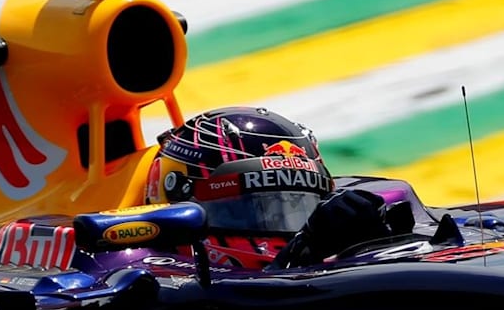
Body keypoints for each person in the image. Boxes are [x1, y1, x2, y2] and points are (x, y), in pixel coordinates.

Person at [144, 106, 394, 268]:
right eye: (248, 209)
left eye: (297, 206)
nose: (279, 220)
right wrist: (303, 250)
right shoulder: (143, 279)